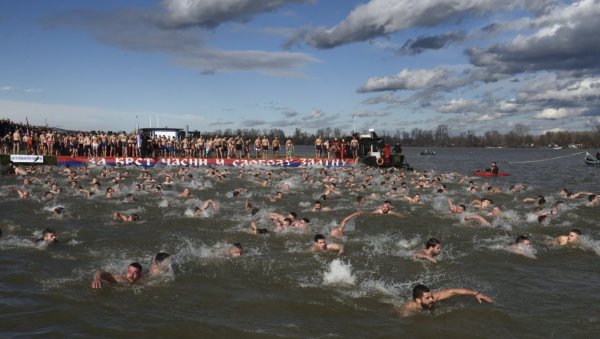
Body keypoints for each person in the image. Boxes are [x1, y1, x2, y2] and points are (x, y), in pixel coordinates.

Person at [396, 284, 494, 317]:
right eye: (427, 298)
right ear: (418, 300)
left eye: (431, 296)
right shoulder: (408, 308)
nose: (432, 299)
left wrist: (476, 293)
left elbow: (452, 291)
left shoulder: (434, 297)